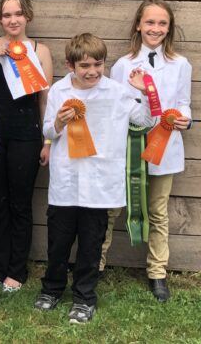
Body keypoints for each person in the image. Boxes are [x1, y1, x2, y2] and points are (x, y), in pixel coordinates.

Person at [33, 33, 155, 324]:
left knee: (91, 244)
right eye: (85, 65)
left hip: (100, 182)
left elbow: (146, 121)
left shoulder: (117, 92)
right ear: (70, 64)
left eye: (98, 64)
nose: (92, 71)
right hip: (67, 180)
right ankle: (52, 288)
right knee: (58, 242)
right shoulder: (59, 91)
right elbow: (48, 132)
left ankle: (84, 297)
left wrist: (146, 92)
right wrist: (59, 123)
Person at [100, 0, 192, 302]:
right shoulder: (122, 65)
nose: (155, 29)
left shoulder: (180, 65)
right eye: (150, 22)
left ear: (169, 28)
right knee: (112, 209)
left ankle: (157, 272)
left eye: (162, 23)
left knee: (158, 212)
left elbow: (183, 103)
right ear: (139, 25)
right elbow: (116, 108)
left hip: (165, 148)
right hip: (128, 148)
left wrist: (185, 120)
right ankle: (95, 264)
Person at [0, 0, 52, 292]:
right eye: (7, 14)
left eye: (18, 13)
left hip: (26, 136)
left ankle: (17, 270)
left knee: (20, 203)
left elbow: (45, 101)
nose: (13, 19)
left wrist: (47, 140)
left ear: (27, 15)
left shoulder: (40, 51)